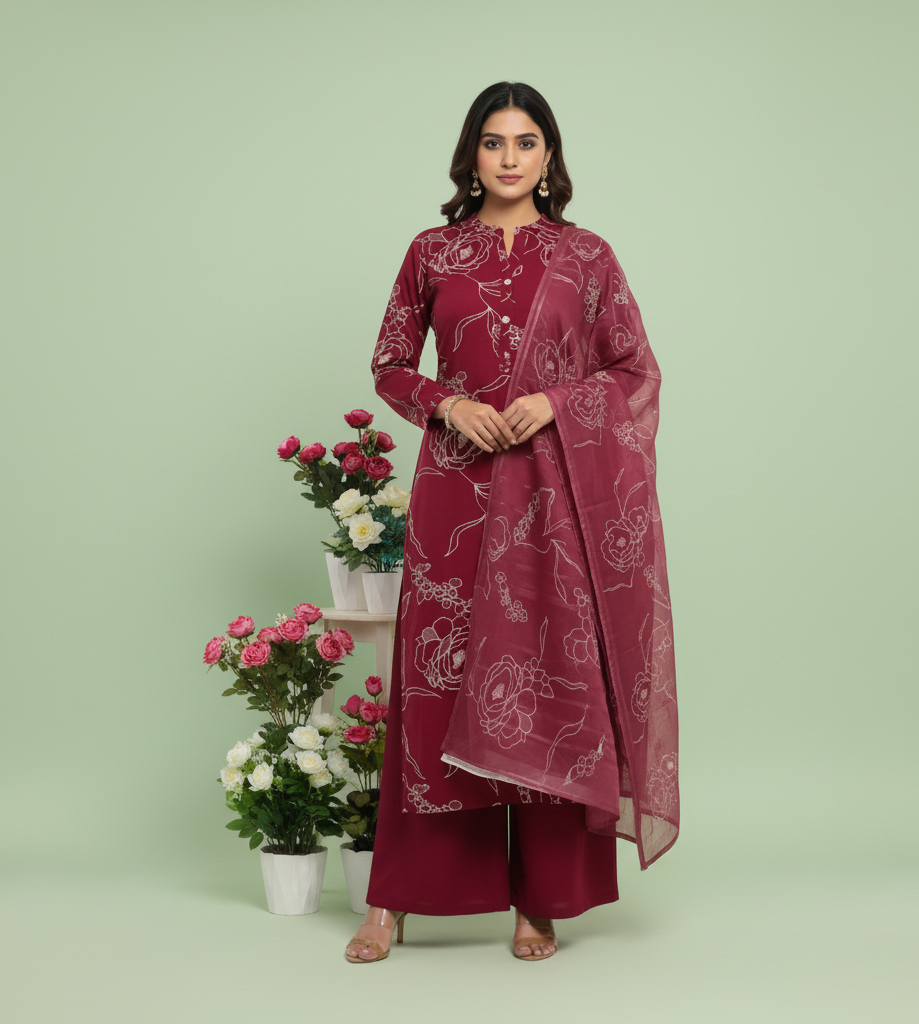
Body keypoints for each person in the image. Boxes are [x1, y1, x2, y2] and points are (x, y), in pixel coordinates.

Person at [347, 81, 678, 964]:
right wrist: (448, 406)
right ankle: (396, 899)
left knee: (539, 677)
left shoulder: (587, 257)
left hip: (549, 495)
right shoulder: (432, 251)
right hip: (456, 489)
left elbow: (634, 372)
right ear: (471, 155)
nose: (508, 157)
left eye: (526, 142)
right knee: (436, 680)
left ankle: (539, 899)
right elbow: (387, 363)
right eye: (493, 142)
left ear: (549, 157)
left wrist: (554, 401)